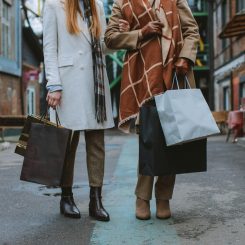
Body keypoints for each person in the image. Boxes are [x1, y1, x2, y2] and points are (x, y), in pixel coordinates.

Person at [105, 0, 200, 220]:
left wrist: (186, 56)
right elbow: (110, 37)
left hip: (174, 75)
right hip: (142, 80)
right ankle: (143, 197)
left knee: (173, 139)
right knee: (148, 139)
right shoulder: (123, 3)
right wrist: (140, 33)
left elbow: (191, 31)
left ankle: (164, 197)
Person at [43, 0, 115, 221]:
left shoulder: (97, 6)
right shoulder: (54, 4)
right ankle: (66, 197)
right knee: (67, 145)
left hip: (96, 85)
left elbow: (103, 45)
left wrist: (117, 36)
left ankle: (96, 200)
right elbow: (50, 47)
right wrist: (53, 84)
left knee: (97, 144)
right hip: (68, 83)